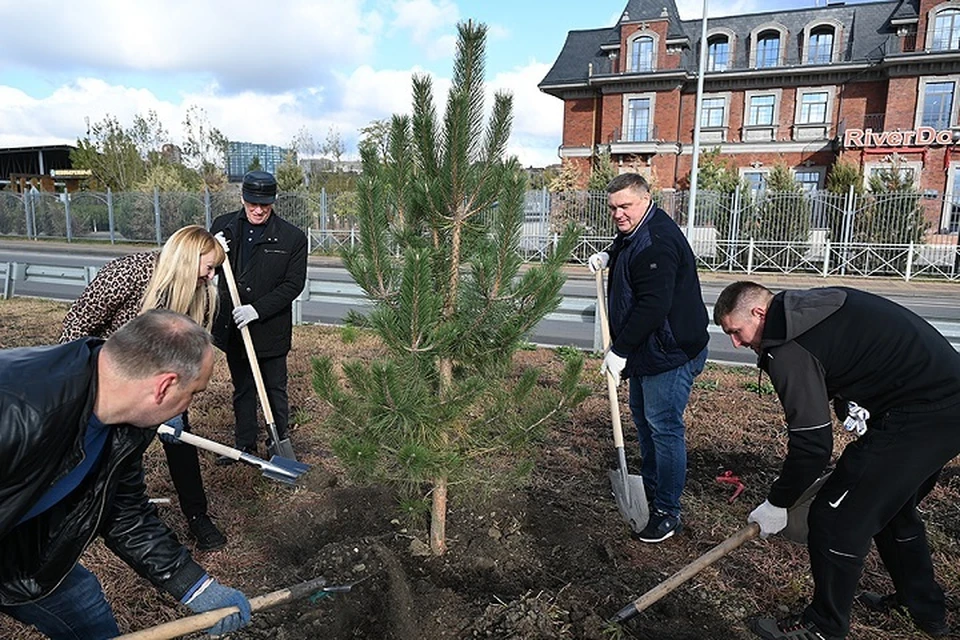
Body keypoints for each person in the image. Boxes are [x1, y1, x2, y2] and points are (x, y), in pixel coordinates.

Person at [714, 281, 960, 640]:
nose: (736, 343)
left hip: (922, 413)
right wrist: (848, 397)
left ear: (759, 313)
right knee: (892, 509)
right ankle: (921, 606)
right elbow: (846, 348)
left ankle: (823, 626)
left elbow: (813, 445)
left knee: (835, 518)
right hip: (944, 397)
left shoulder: (785, 347)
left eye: (736, 332)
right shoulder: (803, 306)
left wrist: (778, 502)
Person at [0, 310, 251, 639]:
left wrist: (197, 588)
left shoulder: (124, 423)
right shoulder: (19, 410)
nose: (187, 406)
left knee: (83, 603)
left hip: (17, 550)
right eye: (193, 394)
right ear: (164, 387)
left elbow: (124, 511)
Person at [59, 225, 229, 551]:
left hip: (160, 385)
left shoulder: (203, 295)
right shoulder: (131, 272)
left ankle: (197, 516)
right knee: (112, 450)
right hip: (110, 379)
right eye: (209, 267)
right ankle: (94, 511)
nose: (211, 276)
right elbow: (79, 322)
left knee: (179, 440)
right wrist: (82, 380)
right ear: (188, 259)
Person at [587, 173, 709, 543]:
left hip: (669, 352)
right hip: (649, 350)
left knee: (664, 427)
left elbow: (655, 305)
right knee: (644, 421)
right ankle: (653, 489)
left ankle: (667, 512)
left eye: (625, 206)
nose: (618, 214)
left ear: (645, 199)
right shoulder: (636, 230)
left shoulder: (656, 241)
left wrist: (620, 350)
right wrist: (610, 252)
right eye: (612, 208)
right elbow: (626, 239)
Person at [210, 170, 307, 461]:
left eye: (264, 205)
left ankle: (278, 445)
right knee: (243, 389)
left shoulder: (292, 238)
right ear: (243, 198)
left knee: (275, 389)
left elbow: (294, 284)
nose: (258, 210)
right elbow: (205, 268)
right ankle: (244, 444)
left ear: (273, 202)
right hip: (234, 326)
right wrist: (213, 252)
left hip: (269, 328)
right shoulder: (222, 227)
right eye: (252, 203)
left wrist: (257, 310)